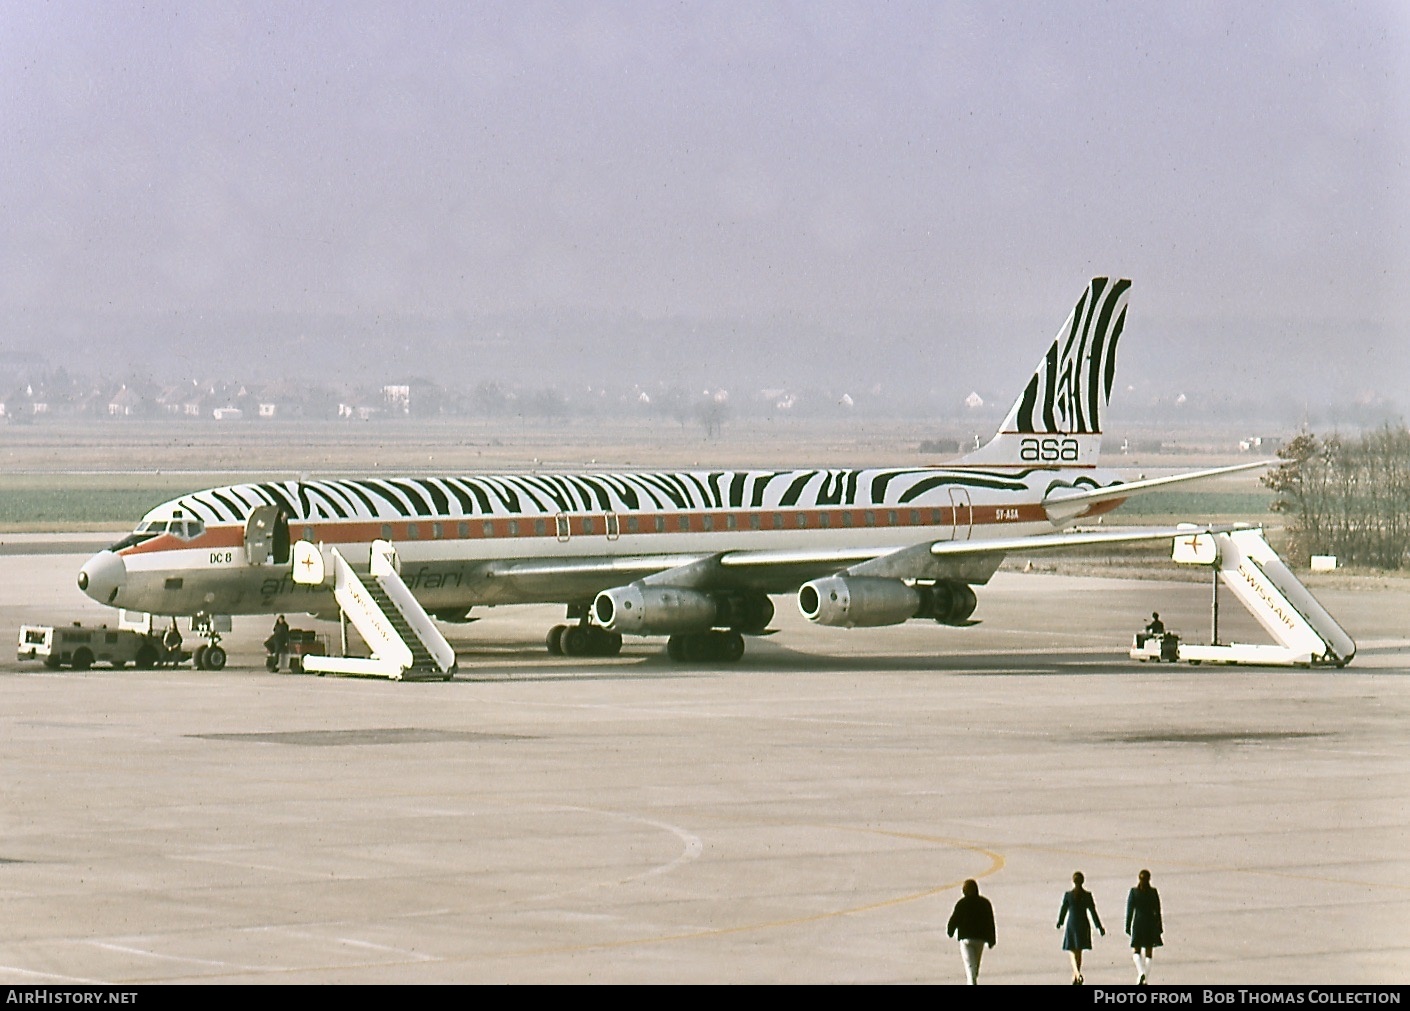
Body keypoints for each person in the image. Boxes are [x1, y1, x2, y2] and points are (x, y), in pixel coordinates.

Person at [1057, 871, 1104, 984]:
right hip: (1083, 924)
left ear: (1073, 881)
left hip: (1072, 924)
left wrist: (1060, 922)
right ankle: (1075, 977)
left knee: (1072, 952)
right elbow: (1093, 912)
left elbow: (1063, 910)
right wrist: (1099, 927)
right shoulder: (1087, 895)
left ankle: (1077, 974)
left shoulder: (1068, 895)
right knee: (1079, 952)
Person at [946, 879, 996, 985]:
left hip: (966, 940)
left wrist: (950, 931)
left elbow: (954, 919)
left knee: (971, 970)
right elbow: (990, 921)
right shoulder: (985, 903)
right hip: (980, 940)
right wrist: (992, 939)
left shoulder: (962, 904)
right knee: (974, 969)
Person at [1126, 869, 1163, 984]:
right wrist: (1159, 926)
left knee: (1136, 950)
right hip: (1150, 924)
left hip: (1138, 923)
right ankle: (1144, 978)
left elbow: (1129, 910)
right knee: (1149, 951)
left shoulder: (1134, 892)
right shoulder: (1153, 892)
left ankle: (1141, 973)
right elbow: (1157, 911)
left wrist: (1127, 925)